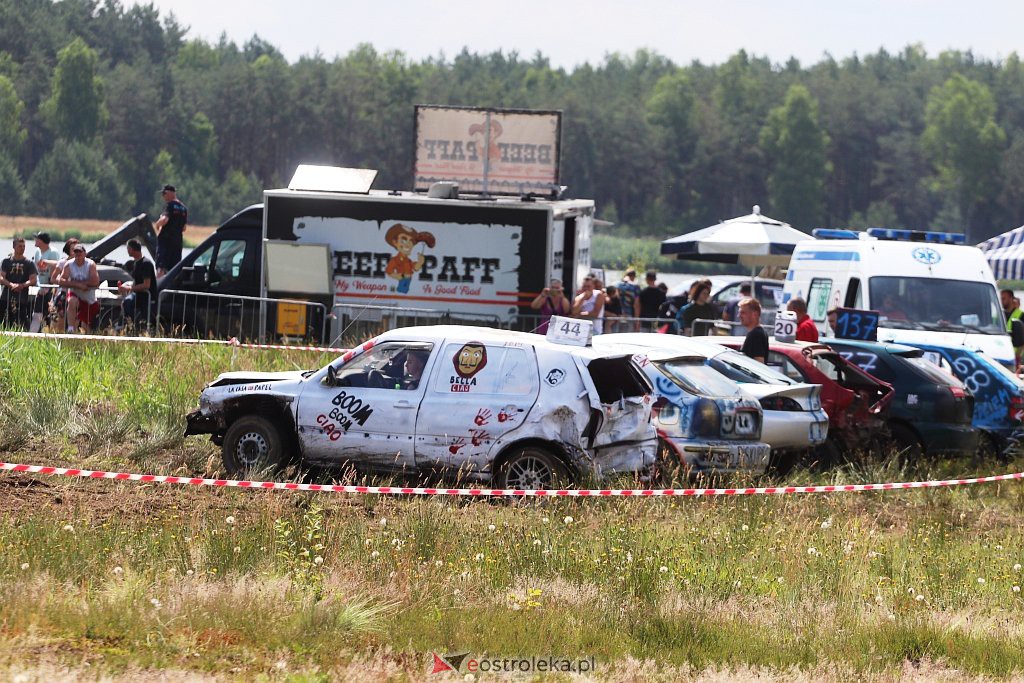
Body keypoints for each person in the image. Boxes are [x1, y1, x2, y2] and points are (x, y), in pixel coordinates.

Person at [56, 243, 99, 333]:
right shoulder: (69, 264)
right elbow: (61, 280)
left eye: (80, 253)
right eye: (76, 253)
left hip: (88, 298)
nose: (78, 255)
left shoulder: (90, 265)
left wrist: (83, 284)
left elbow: (95, 281)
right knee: (71, 301)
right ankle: (70, 329)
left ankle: (86, 341)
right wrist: (78, 285)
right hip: (74, 293)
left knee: (85, 326)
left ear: (85, 254)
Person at [118, 238, 157, 331]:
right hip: (138, 294)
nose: (127, 250)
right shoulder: (136, 263)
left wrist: (129, 288)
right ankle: (129, 327)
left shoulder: (146, 263)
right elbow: (136, 281)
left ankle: (139, 330)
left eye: (128, 248)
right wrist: (125, 287)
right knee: (126, 302)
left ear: (131, 249)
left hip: (147, 296)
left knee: (147, 322)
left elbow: (146, 285)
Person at [0, 237, 37, 330]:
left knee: (20, 324)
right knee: (3, 323)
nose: (22, 248)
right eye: (20, 246)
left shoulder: (29, 263)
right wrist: (11, 285)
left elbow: (33, 279)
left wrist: (23, 285)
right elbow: (1, 277)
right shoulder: (6, 261)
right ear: (14, 246)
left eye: (24, 246)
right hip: (6, 298)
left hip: (22, 299)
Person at [154, 184, 188, 277]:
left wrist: (157, 225)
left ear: (170, 193)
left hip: (166, 242)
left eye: (164, 193)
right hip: (177, 243)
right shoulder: (183, 209)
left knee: (161, 267)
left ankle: (158, 288)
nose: (163, 196)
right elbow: (184, 228)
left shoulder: (170, 205)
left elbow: (164, 220)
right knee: (174, 270)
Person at [29, 232, 60, 332]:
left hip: (50, 287)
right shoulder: (37, 252)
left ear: (42, 241)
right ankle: (35, 332)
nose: (35, 241)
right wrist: (38, 286)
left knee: (49, 312)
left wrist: (49, 287)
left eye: (37, 239)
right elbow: (36, 270)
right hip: (40, 287)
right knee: (37, 312)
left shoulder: (53, 252)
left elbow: (56, 268)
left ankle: (47, 332)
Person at [48, 238, 78, 332]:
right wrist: (64, 282)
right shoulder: (62, 262)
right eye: (73, 249)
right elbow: (53, 278)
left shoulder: (82, 263)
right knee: (60, 321)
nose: (75, 251)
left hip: (77, 294)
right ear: (68, 250)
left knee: (76, 321)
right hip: (63, 295)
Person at [738, 297, 768, 363]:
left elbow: (759, 363)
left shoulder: (756, 334)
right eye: (739, 313)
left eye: (743, 313)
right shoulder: (757, 332)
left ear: (755, 314)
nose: (739, 316)